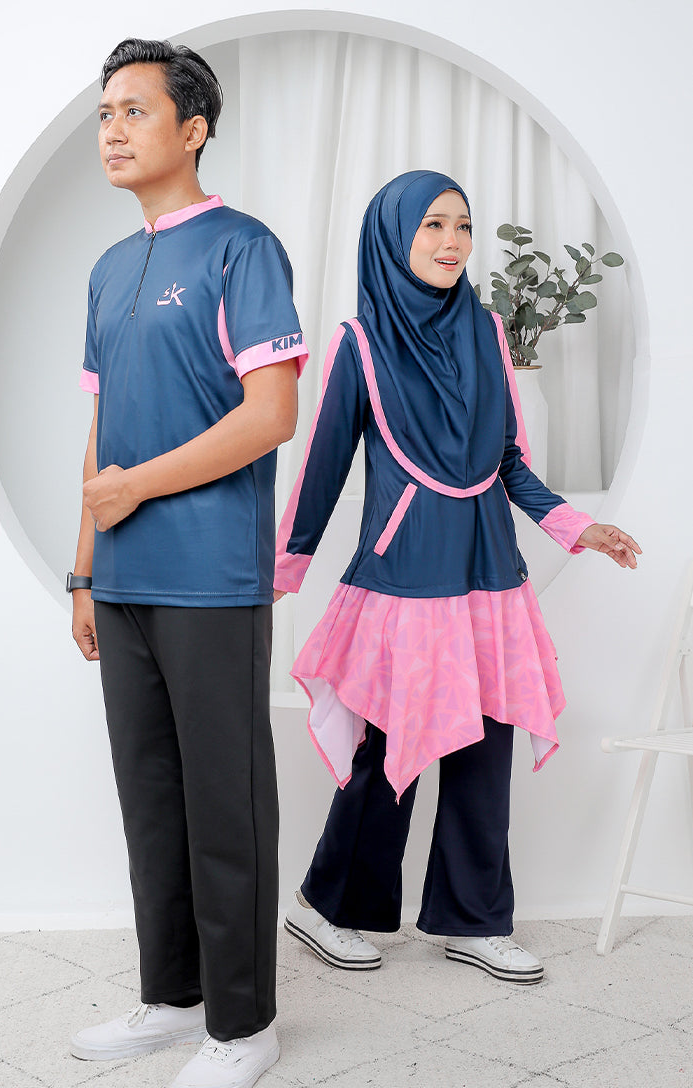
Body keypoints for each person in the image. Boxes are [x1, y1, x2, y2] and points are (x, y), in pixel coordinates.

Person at [274, 170, 640, 985]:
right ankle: (327, 907)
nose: (452, 242)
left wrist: (575, 527)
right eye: (432, 225)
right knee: (388, 746)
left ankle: (473, 921)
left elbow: (507, 460)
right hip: (403, 579)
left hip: (487, 575)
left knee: (485, 744)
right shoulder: (360, 342)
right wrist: (282, 570)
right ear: (392, 237)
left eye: (463, 226)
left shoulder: (487, 332)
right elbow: (322, 466)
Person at [67, 38, 307, 1088]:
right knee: (151, 800)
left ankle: (243, 1024)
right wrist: (84, 570)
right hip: (120, 581)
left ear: (193, 128)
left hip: (211, 576)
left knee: (226, 800)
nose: (114, 130)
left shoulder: (243, 249)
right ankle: (171, 999)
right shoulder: (108, 268)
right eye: (105, 114)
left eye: (136, 111)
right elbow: (100, 434)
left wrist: (138, 489)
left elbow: (271, 416)